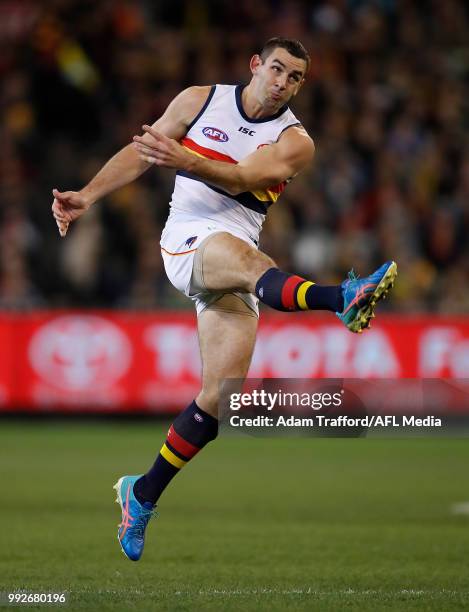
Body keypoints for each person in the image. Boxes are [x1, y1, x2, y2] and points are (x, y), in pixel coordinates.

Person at [51, 37, 397, 561]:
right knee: (257, 267)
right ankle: (343, 297)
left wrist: (184, 156)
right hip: (188, 239)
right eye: (276, 69)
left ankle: (140, 494)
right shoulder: (198, 101)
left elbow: (240, 177)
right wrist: (88, 196)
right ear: (255, 66)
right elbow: (141, 154)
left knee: (218, 398)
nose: (282, 82)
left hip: (233, 254)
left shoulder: (295, 141)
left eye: (295, 77)